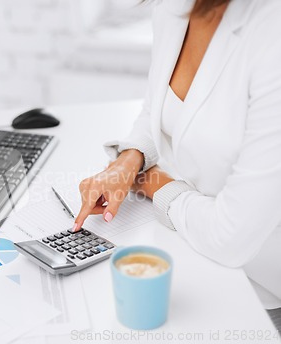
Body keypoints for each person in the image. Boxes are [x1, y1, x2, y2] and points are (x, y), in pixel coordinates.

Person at [74, 0, 281, 332]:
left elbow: (232, 238)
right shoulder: (174, 6)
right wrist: (129, 161)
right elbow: (159, 108)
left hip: (261, 288)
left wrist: (155, 184)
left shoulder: (272, 33)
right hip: (194, 251)